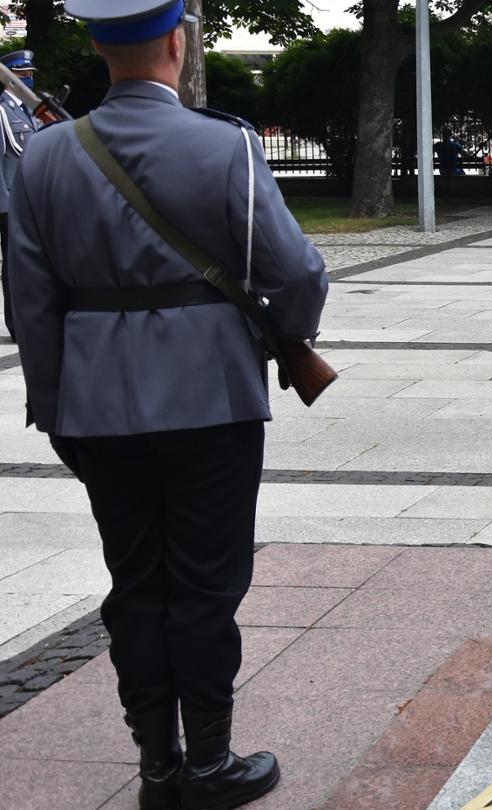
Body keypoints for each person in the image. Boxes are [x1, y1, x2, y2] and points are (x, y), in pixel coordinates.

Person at [7, 0, 331, 807]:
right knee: (206, 587)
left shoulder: (43, 157)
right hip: (210, 401)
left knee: (137, 585)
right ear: (177, 43)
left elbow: (29, 301)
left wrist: (55, 409)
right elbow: (292, 274)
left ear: (93, 44)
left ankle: (158, 768)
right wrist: (286, 339)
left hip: (96, 407)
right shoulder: (224, 143)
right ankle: (211, 764)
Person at [0, 48, 43, 336]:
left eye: (29, 74)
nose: (28, 78)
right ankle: (16, 323)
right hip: (11, 199)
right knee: (14, 264)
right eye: (22, 74)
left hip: (32, 198)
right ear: (9, 78)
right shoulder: (2, 110)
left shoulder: (31, 109)